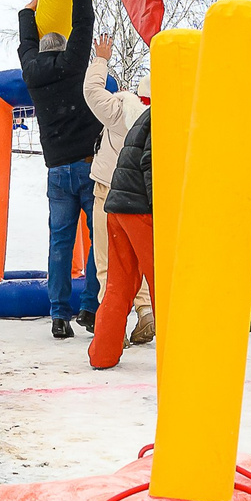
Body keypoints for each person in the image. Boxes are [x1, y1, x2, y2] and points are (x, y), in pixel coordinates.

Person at [18, 0, 102, 339]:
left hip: (56, 172)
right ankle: (89, 306)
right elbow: (84, 24)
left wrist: (28, 10)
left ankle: (58, 316)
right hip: (87, 165)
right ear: (65, 49)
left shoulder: (32, 74)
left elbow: (25, 43)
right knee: (98, 238)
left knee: (60, 243)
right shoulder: (74, 66)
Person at [83, 34, 156, 346]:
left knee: (109, 266)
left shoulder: (119, 109)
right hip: (146, 201)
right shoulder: (167, 119)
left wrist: (101, 58)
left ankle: (112, 332)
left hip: (109, 194)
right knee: (138, 263)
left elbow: (91, 90)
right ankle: (146, 311)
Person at [89, 104, 159, 370]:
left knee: (118, 286)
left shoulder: (145, 117)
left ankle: (103, 354)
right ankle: (179, 354)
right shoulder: (164, 118)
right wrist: (159, 211)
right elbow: (151, 165)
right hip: (142, 211)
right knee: (163, 284)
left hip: (118, 207)